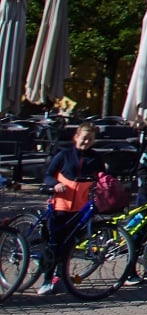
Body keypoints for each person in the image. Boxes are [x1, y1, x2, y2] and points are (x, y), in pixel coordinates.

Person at [37, 124, 106, 295]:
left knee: (68, 246)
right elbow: (47, 175)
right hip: (60, 206)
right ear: (76, 137)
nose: (87, 142)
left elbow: (103, 178)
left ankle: (60, 278)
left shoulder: (95, 158)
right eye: (84, 138)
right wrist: (55, 184)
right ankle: (46, 279)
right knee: (54, 244)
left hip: (79, 209)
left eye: (90, 139)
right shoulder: (64, 155)